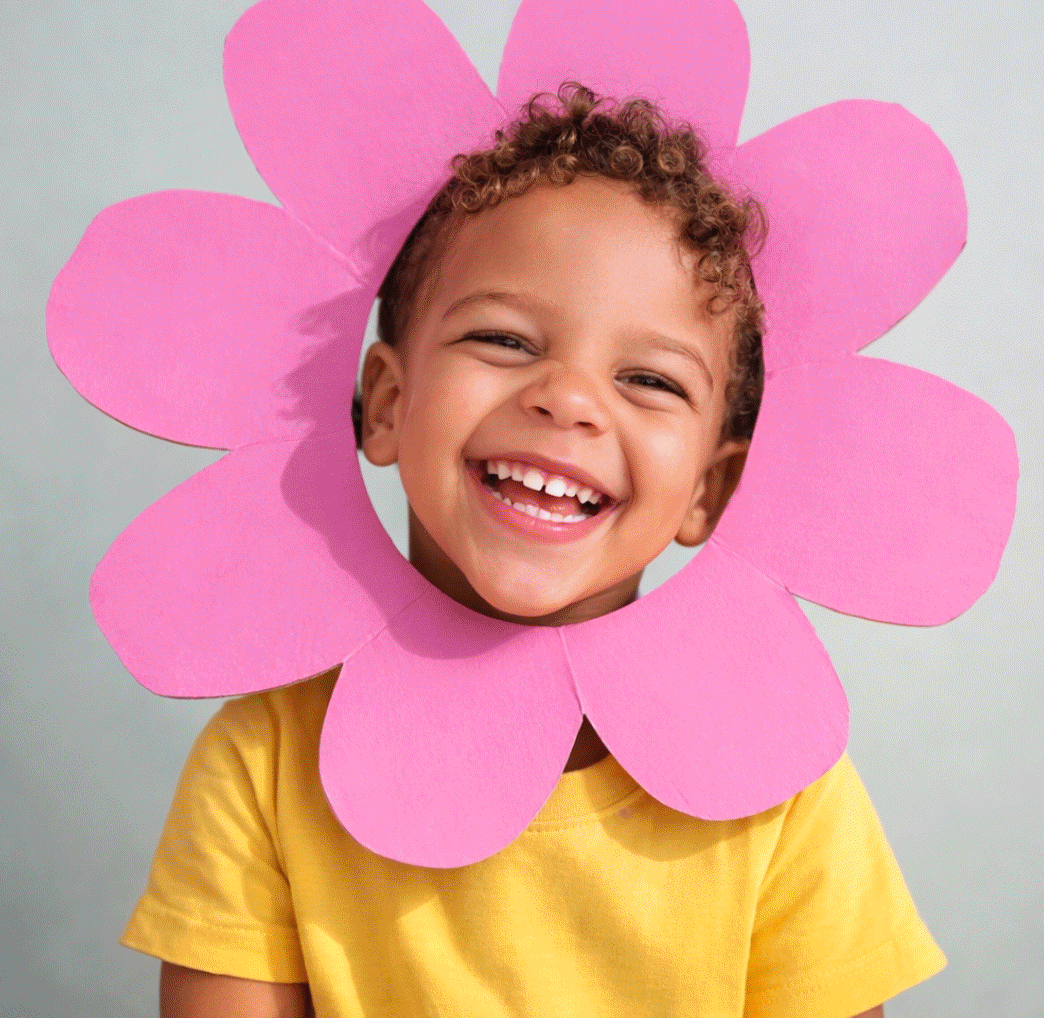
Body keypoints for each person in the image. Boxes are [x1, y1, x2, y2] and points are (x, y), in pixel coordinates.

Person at [123, 86, 945, 1017]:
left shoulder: (776, 779)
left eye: (648, 378)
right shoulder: (265, 762)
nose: (569, 398)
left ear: (709, 490)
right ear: (387, 403)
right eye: (505, 339)